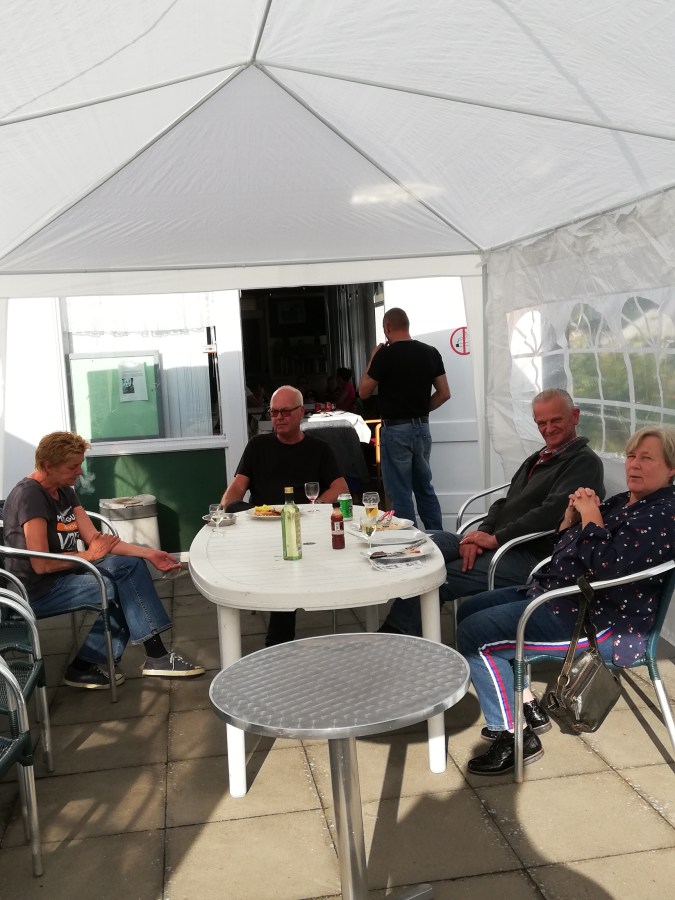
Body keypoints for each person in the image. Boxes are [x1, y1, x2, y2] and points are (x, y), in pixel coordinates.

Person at [456, 425, 675, 776]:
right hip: (562, 597)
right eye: (631, 456)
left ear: (671, 468)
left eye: (646, 458)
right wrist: (571, 518)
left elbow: (605, 567)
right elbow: (568, 548)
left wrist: (591, 516)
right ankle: (526, 705)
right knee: (470, 609)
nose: (634, 464)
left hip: (602, 623)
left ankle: (514, 739)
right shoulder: (624, 501)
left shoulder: (663, 514)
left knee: (476, 636)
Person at [379, 388, 605, 636]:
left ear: (575, 416)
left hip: (530, 557)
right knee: (430, 541)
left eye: (556, 420)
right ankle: (378, 575)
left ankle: (394, 635)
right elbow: (504, 503)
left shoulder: (583, 462)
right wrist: (481, 535)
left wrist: (495, 539)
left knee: (436, 576)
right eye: (541, 423)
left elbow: (550, 514)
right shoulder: (540, 456)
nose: (548, 429)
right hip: (502, 543)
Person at [2, 431, 204, 689]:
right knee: (123, 587)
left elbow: (97, 540)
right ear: (48, 465)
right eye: (73, 466)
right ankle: (146, 658)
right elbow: (41, 564)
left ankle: (92, 666)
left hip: (67, 574)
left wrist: (149, 553)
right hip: (37, 591)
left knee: (131, 568)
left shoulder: (64, 491)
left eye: (80, 465)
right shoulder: (30, 496)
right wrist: (89, 556)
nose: (79, 472)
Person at [221, 385, 349, 645]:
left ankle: (278, 642)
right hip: (263, 527)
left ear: (301, 412)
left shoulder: (319, 449)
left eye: (285, 412)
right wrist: (227, 503)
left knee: (288, 567)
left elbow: (340, 488)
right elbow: (238, 485)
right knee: (280, 568)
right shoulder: (258, 446)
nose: (278, 417)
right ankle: (278, 640)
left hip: (304, 527)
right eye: (274, 412)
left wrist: (314, 506)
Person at [358, 307, 450, 528]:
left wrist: (373, 358)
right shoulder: (431, 352)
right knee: (424, 488)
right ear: (407, 325)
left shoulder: (385, 356)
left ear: (387, 327)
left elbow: (363, 391)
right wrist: (421, 410)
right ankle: (438, 538)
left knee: (400, 492)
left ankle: (409, 540)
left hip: (396, 430)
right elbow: (444, 393)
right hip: (422, 428)